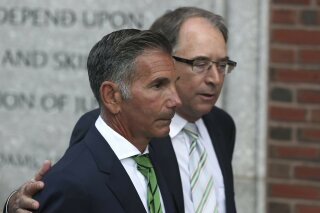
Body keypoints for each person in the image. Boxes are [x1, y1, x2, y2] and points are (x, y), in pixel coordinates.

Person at [4, 7, 238, 213]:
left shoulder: (222, 127)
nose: (215, 78)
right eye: (200, 63)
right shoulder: (117, 130)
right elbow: (73, 189)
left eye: (222, 65)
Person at [4, 29, 182, 213]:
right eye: (158, 85)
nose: (176, 100)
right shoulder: (69, 184)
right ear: (112, 96)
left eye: (175, 83)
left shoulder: (163, 152)